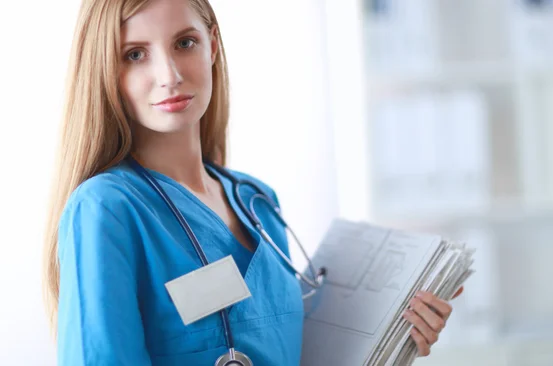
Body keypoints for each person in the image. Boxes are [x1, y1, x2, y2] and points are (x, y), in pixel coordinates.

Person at [41, 0, 463, 364]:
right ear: (105, 70)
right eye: (135, 54)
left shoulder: (256, 200)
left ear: (212, 46)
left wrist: (394, 332)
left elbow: (295, 349)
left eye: (184, 43)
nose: (168, 74)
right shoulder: (106, 208)